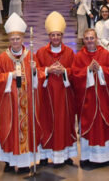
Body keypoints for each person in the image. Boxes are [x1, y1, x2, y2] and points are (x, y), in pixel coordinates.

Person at [0, 13, 39, 173]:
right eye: (12, 39)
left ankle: (25, 163)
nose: (15, 42)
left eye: (18, 39)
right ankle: (9, 162)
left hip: (27, 103)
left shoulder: (31, 55)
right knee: (9, 130)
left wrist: (34, 71)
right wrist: (9, 76)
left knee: (25, 130)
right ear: (9, 40)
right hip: (9, 104)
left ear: (23, 39)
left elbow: (39, 77)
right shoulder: (3, 58)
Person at [69, 28, 109, 167]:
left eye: (92, 38)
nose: (90, 41)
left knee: (102, 125)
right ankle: (87, 156)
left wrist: (101, 69)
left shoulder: (105, 54)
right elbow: (74, 75)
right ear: (83, 40)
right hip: (87, 101)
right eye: (87, 38)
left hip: (103, 99)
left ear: (96, 39)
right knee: (87, 126)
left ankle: (105, 157)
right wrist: (88, 70)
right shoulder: (79, 56)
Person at [35, 11, 76, 166]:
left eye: (58, 35)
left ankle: (64, 155)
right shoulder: (40, 52)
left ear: (62, 36)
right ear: (49, 36)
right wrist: (48, 71)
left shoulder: (70, 52)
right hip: (47, 96)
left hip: (65, 96)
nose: (56, 38)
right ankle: (45, 155)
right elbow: (36, 71)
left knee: (64, 123)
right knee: (46, 123)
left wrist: (65, 71)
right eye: (53, 35)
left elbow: (76, 71)